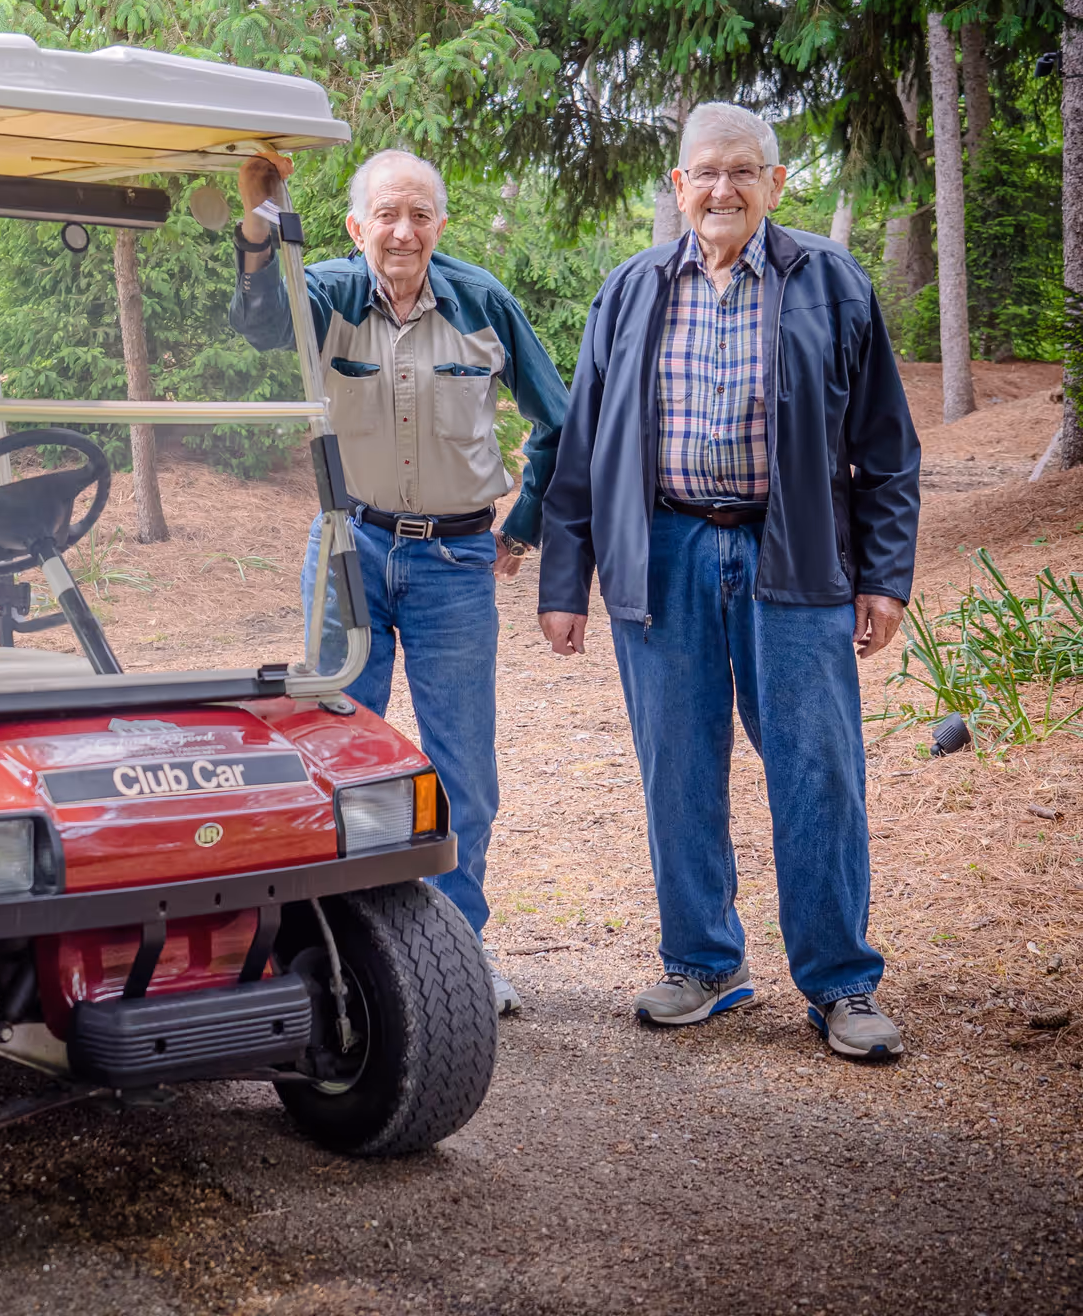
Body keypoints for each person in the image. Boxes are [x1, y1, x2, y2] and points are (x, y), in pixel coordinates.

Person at [536, 102, 921, 1059]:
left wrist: (884, 576)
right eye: (704, 173)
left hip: (793, 556)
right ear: (678, 187)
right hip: (662, 555)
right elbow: (581, 447)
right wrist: (563, 577)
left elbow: (886, 448)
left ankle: (840, 984)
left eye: (742, 171)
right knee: (679, 769)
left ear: (776, 184)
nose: (721, 189)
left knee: (818, 774)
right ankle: (702, 963)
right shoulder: (629, 291)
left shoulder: (830, 282)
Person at [230, 149, 568, 1016]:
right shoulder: (333, 290)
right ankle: (341, 958)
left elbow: (561, 422)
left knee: (463, 774)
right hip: (350, 550)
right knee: (334, 757)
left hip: (457, 563)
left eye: (419, 215)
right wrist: (259, 218)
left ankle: (458, 958)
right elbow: (265, 322)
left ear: (440, 225)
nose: (403, 231)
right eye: (386, 215)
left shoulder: (483, 302)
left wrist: (522, 526)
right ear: (357, 226)